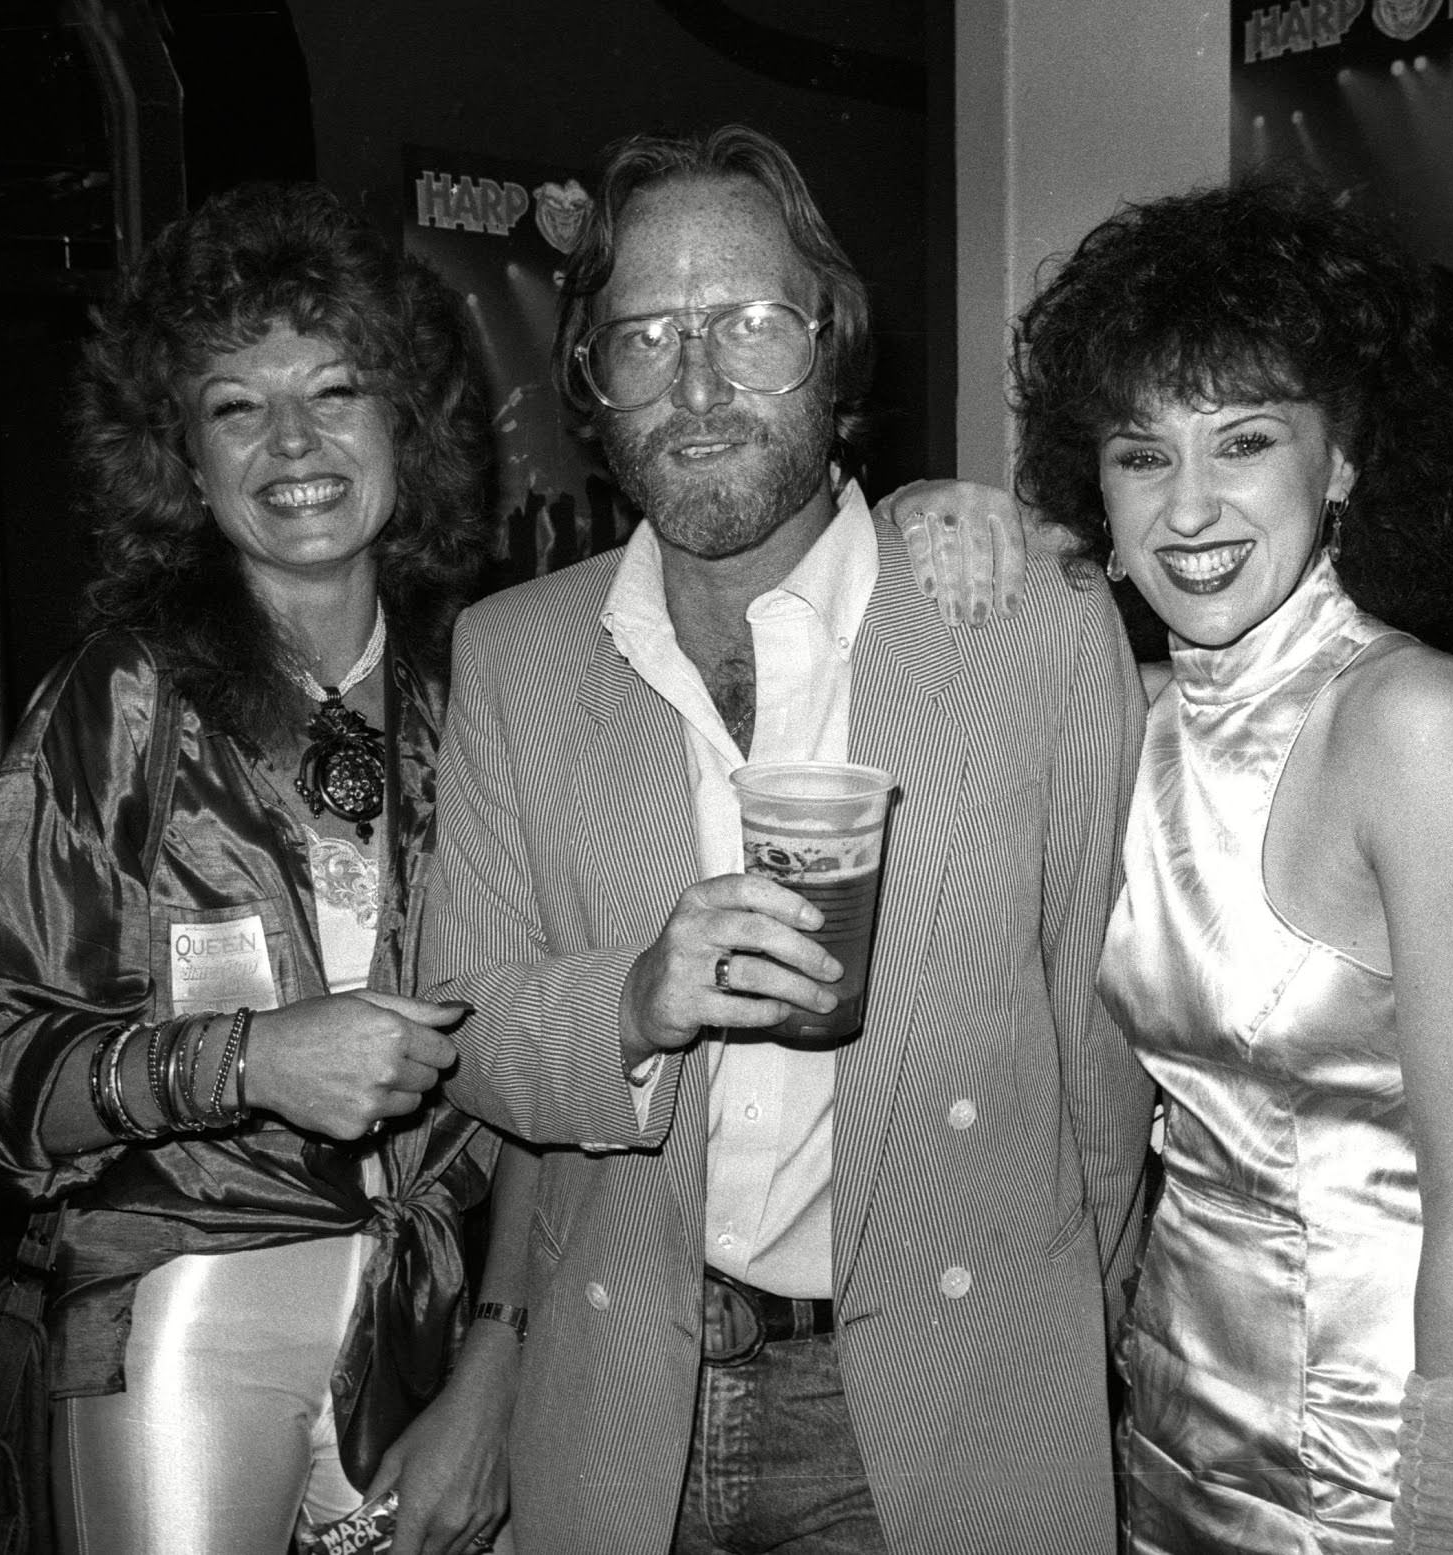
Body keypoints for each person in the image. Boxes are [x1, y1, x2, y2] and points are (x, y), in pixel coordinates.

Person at [415, 125, 1157, 1555]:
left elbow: (1099, 1054)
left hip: (950, 1411)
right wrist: (631, 999)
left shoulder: (1034, 627)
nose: (697, 385)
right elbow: (473, 1023)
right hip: (628, 1401)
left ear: (833, 342)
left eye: (751, 325)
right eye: (644, 335)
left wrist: (1078, 1348)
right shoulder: (517, 655)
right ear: (591, 377)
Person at [892, 176, 1453, 1552]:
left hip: (1399, 1456)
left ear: (1342, 460)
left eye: (1245, 441)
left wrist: (1452, 1527)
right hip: (1170, 1426)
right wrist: (923, 502)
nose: (1191, 504)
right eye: (1143, 454)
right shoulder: (1129, 716)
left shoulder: (1413, 728)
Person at [0, 182, 525, 1555]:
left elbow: (551, 1066)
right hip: (190, 1311)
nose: (293, 442)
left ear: (405, 429)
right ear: (182, 460)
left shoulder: (484, 688)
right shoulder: (119, 701)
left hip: (437, 1316)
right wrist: (243, 1061)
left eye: (336, 389)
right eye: (237, 404)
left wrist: (496, 1364)